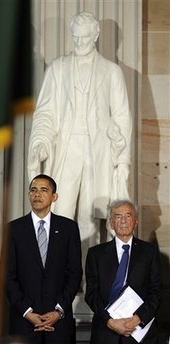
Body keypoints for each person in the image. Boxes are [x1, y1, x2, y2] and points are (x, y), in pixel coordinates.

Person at [27, 12, 132, 249]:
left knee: (90, 217)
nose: (79, 43)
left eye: (85, 38)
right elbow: (45, 112)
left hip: (99, 151)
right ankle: (57, 278)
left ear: (95, 36)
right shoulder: (57, 69)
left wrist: (123, 161)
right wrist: (40, 142)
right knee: (59, 213)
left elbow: (123, 118)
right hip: (66, 148)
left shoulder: (112, 72)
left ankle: (88, 279)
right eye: (75, 37)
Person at [6, 174, 82, 344]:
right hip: (23, 322)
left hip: (59, 324)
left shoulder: (68, 228)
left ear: (54, 196)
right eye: (33, 190)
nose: (37, 194)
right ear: (28, 195)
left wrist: (58, 311)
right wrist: (27, 312)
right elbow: (7, 276)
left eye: (43, 190)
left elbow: (75, 273)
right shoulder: (13, 229)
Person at [85, 199, 162, 343]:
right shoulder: (96, 254)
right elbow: (91, 294)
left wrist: (138, 319)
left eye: (128, 216)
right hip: (105, 332)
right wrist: (110, 322)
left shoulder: (149, 252)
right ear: (111, 223)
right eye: (118, 217)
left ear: (136, 221)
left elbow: (156, 291)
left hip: (140, 332)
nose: (123, 221)